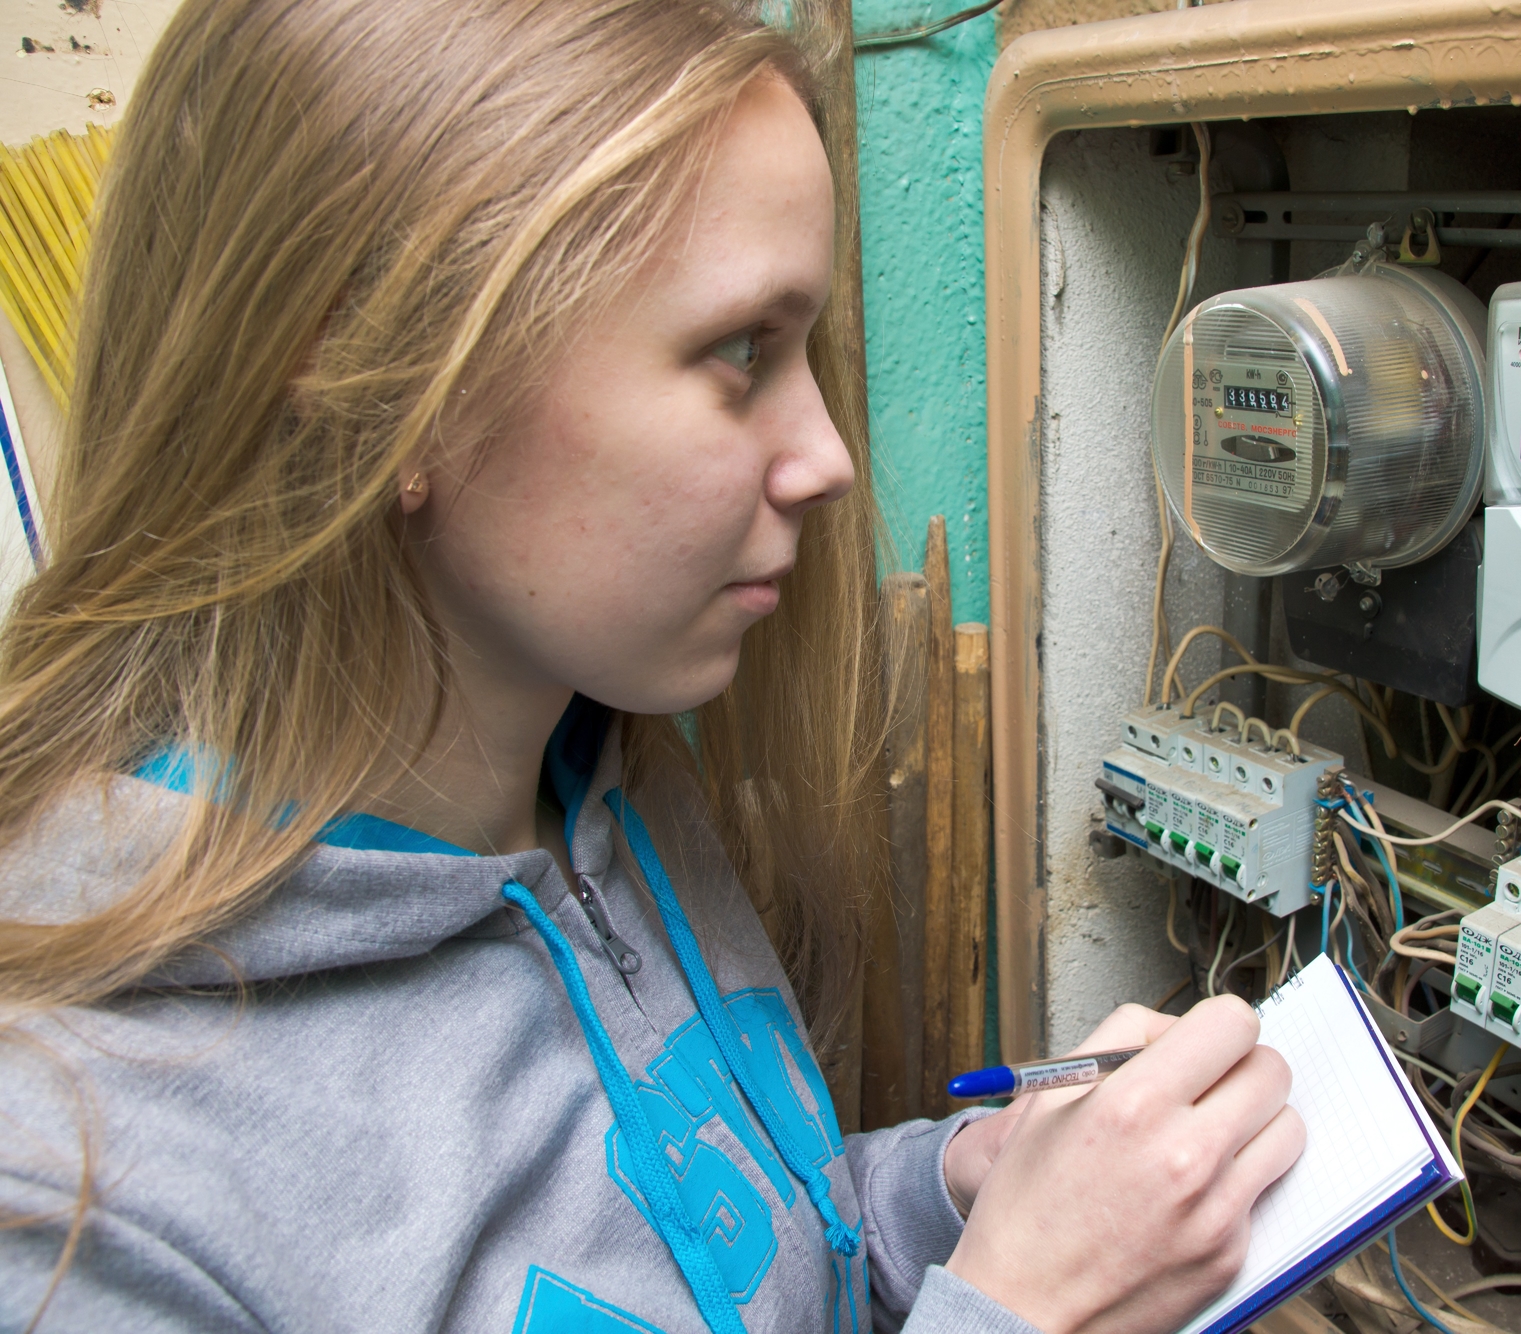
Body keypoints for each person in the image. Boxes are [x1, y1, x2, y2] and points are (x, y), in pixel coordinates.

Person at [0, 0, 1304, 1330]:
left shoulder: (606, 786)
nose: (830, 458)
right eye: (743, 350)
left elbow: (741, 1278)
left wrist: (949, 1194)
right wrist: (1031, 1306)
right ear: (371, 375)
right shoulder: (74, 1197)